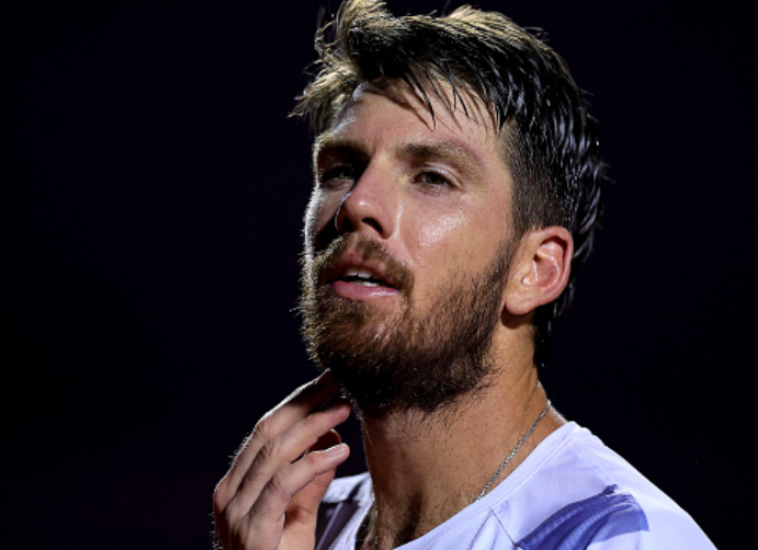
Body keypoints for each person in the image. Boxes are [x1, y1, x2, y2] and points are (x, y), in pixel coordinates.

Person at [212, 1, 716, 548]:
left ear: (535, 269)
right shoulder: (294, 524)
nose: (357, 204)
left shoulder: (621, 538)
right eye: (341, 169)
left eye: (431, 177)